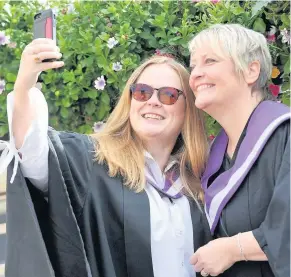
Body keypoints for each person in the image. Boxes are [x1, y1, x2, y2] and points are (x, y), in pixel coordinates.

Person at [0, 38, 211, 277]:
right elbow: (32, 154)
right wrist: (24, 88)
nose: (153, 101)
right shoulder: (93, 161)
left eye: (169, 95)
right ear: (130, 101)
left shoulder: (201, 179)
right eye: (142, 92)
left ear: (188, 109)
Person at [188, 24, 290, 277]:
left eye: (209, 61)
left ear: (251, 70)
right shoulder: (212, 158)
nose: (195, 74)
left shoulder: (285, 134)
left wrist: (234, 249)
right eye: (193, 66)